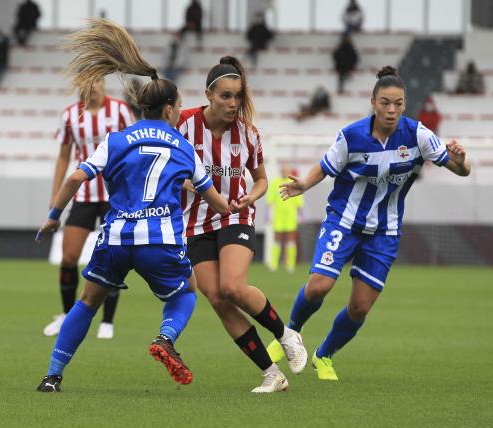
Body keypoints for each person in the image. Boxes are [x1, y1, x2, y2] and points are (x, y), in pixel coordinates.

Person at [36, 18, 231, 392]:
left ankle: (52, 376)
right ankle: (165, 338)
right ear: (172, 110)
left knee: (86, 302)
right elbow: (218, 205)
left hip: (116, 239)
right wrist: (233, 204)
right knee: (187, 292)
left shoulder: (116, 139)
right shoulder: (184, 148)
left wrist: (52, 216)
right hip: (160, 241)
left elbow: (76, 177)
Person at [266, 66, 471, 380]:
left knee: (360, 307)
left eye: (398, 104)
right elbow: (325, 166)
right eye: (385, 103)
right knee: (319, 286)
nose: (392, 110)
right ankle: (290, 333)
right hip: (343, 222)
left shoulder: (417, 135)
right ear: (373, 102)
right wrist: (304, 185)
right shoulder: (352, 136)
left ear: (404, 105)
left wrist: (459, 158)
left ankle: (324, 356)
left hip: (384, 233)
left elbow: (462, 170)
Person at [178, 55, 308, 393]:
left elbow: (262, 179)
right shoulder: (183, 125)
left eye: (237, 96)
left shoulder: (248, 134)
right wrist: (183, 184)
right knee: (219, 300)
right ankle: (272, 374)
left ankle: (286, 334)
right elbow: (165, 168)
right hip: (195, 223)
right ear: (209, 94)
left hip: (235, 214)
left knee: (233, 287)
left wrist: (252, 197)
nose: (233, 103)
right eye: (226, 96)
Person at [43, 74, 135, 340]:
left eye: (98, 81)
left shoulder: (119, 110)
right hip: (83, 194)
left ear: (104, 84)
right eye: (89, 82)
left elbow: (132, 146)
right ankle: (65, 314)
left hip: (113, 194)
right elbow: (64, 156)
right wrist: (56, 193)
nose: (94, 86)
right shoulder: (70, 115)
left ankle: (107, 321)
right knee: (69, 257)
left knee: (113, 256)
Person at [266, 165, 303, 273]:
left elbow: (299, 201)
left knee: (290, 239)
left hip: (290, 216)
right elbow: (270, 200)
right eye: (282, 170)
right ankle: (274, 264)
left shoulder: (293, 184)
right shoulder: (274, 183)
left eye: (286, 170)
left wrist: (300, 214)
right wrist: (267, 214)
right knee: (276, 238)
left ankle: (290, 265)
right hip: (278, 216)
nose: (284, 172)